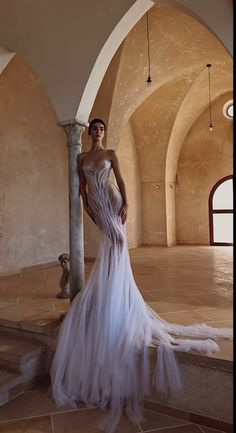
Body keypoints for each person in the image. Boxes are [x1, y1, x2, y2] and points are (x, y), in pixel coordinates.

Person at [50, 118, 232, 433]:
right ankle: (111, 293)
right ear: (88, 132)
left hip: (113, 201)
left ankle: (117, 294)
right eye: (93, 129)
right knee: (112, 248)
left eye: (101, 129)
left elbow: (120, 181)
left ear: (104, 133)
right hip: (96, 203)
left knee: (118, 245)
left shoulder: (110, 154)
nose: (97, 133)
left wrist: (127, 207)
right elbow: (82, 187)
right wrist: (90, 211)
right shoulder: (82, 158)